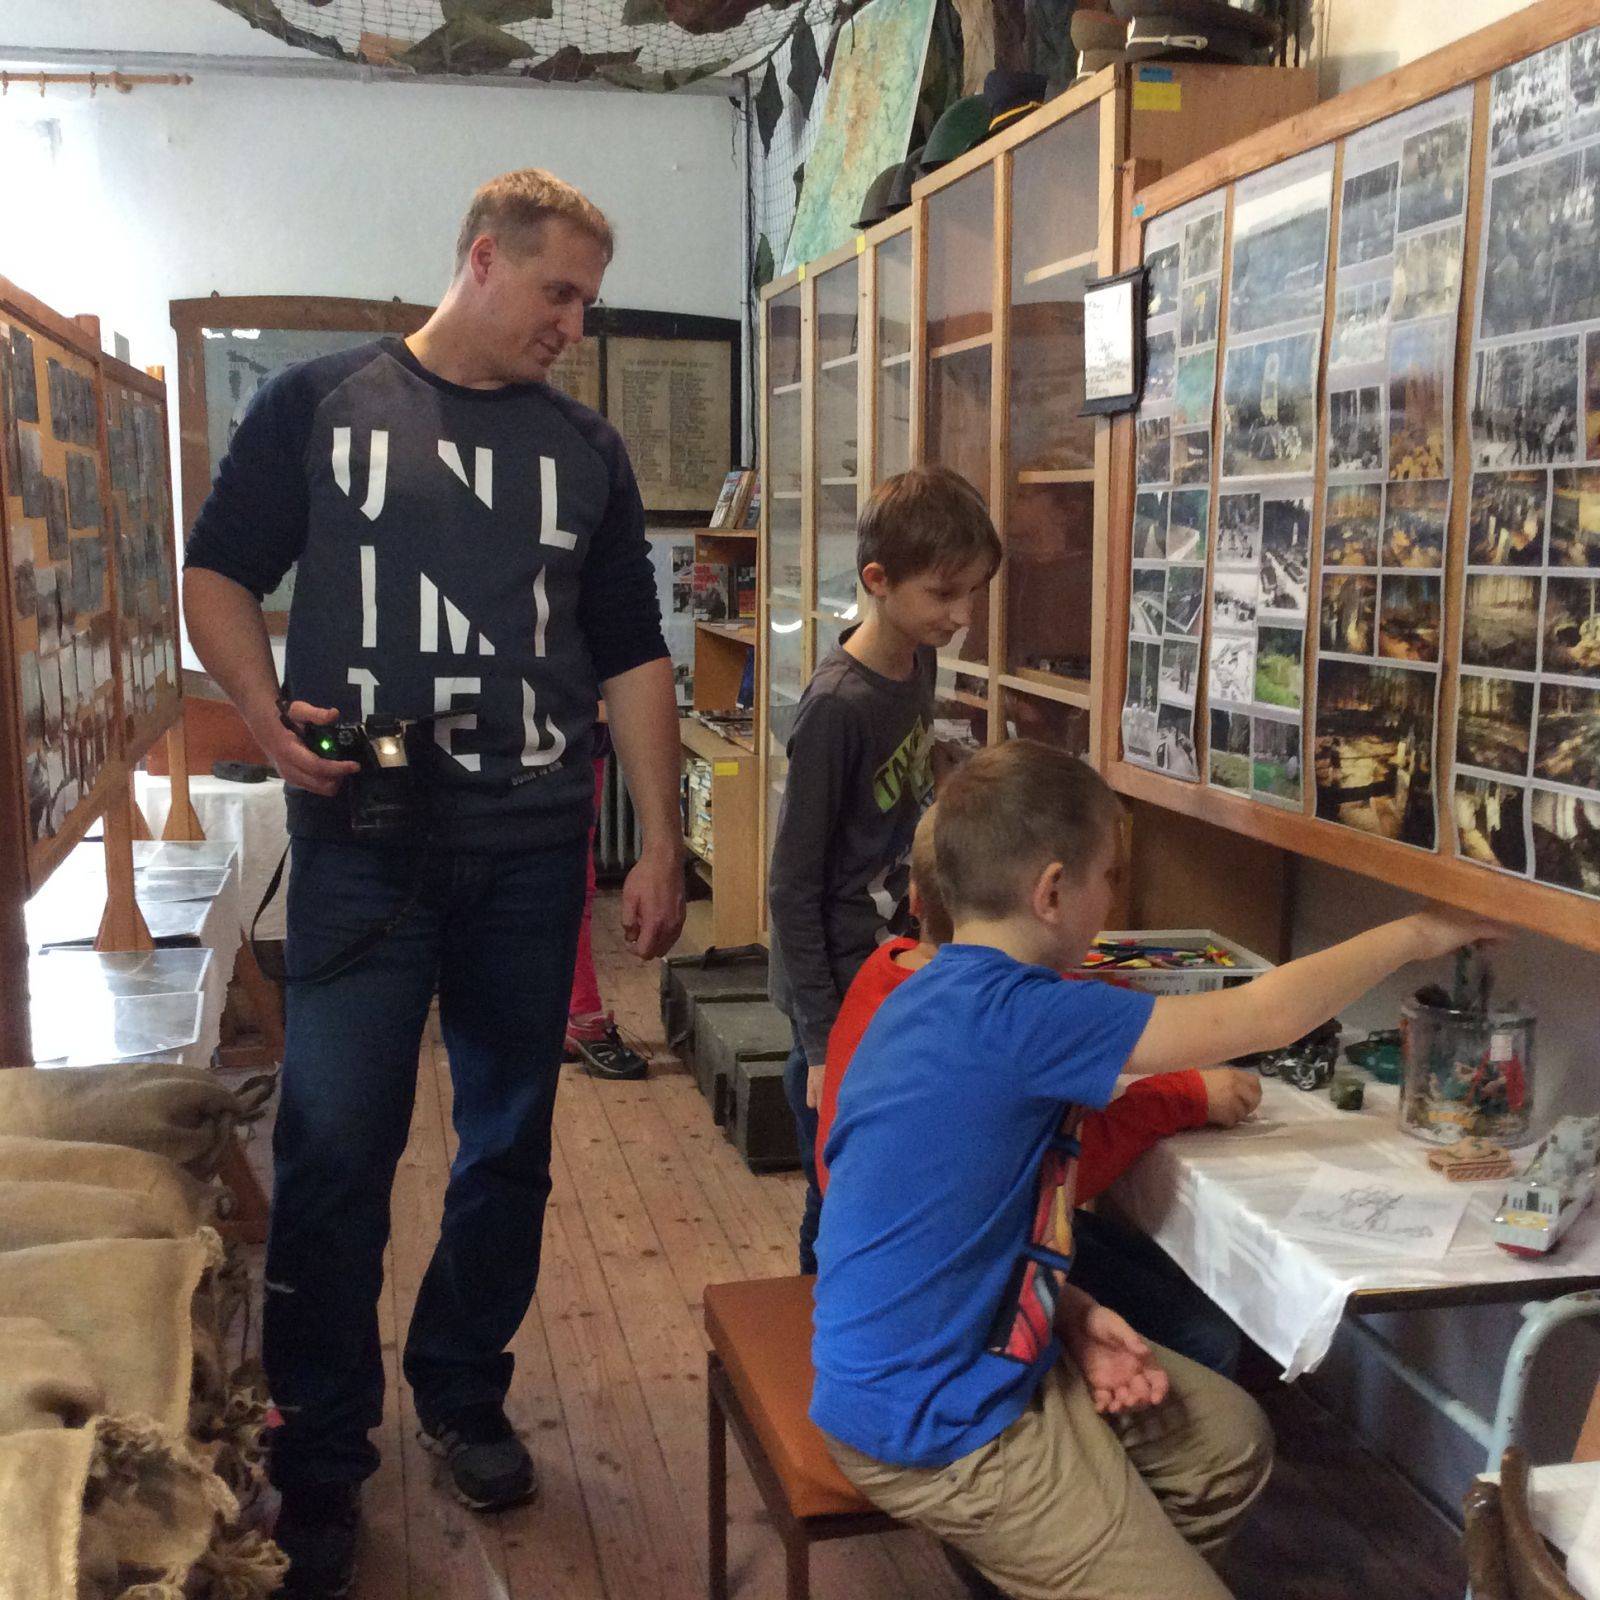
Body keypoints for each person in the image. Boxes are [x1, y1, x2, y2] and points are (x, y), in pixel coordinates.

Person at [183, 169, 686, 1598]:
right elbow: (217, 575)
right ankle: (320, 1451)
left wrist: (660, 837)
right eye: (558, 292)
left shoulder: (587, 451)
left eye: (586, 300)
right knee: (335, 1146)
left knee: (509, 1140)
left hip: (531, 849)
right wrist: (264, 710)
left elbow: (631, 649)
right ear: (481, 260)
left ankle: (463, 1390)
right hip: (362, 845)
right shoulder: (321, 406)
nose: (573, 325)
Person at [812, 739, 1502, 1600]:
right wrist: (1417, 932)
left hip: (940, 1361)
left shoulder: (923, 993)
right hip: (931, 1419)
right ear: (1052, 892)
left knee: (1229, 1445)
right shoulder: (1029, 1015)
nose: (1112, 900)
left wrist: (1068, 1311)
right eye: (1108, 878)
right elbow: (1265, 1014)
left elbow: (944, 1231)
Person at [815, 807, 1258, 1376]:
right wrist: (1185, 1095)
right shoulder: (998, 1015)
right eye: (1108, 878)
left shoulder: (890, 971)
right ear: (1046, 895)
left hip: (912, 1256)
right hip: (949, 1275)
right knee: (1207, 1335)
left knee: (1161, 1266)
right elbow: (1057, 1177)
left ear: (916, 899)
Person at [766, 465, 1001, 1274]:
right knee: (838, 1192)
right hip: (833, 988)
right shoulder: (838, 706)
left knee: (880, 1172)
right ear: (877, 580)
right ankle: (817, 1324)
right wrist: (822, 1044)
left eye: (972, 593)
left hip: (887, 957)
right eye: (944, 594)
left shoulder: (916, 662)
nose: (961, 615)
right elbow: (790, 885)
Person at [564, 709, 649, 1081]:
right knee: (571, 885)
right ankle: (580, 1016)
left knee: (571, 883)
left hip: (571, 740)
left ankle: (569, 1015)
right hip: (557, 744)